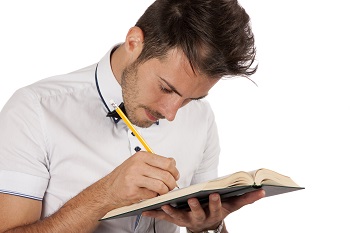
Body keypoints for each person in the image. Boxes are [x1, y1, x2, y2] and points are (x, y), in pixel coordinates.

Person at [0, 0, 265, 232]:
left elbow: (206, 222)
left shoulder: (202, 118)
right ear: (134, 42)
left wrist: (210, 227)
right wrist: (104, 195)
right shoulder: (34, 110)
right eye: (165, 88)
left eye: (191, 99)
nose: (171, 113)